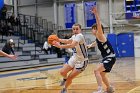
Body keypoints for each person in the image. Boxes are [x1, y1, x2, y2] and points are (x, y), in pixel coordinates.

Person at [87, 7, 116, 93]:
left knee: (96, 71)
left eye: (92, 28)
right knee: (102, 74)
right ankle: (109, 88)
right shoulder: (97, 38)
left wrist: (96, 14)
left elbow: (99, 24)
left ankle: (100, 89)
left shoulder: (100, 35)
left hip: (110, 58)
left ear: (96, 29)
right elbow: (94, 43)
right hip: (108, 58)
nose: (91, 30)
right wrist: (88, 46)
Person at [53, 23, 88, 93]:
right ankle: (65, 79)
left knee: (70, 77)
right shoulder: (74, 36)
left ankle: (65, 89)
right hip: (74, 57)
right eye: (74, 29)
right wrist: (58, 39)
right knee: (62, 72)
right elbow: (68, 41)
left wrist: (60, 46)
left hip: (82, 61)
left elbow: (72, 45)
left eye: (77, 29)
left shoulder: (80, 36)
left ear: (80, 30)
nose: (75, 30)